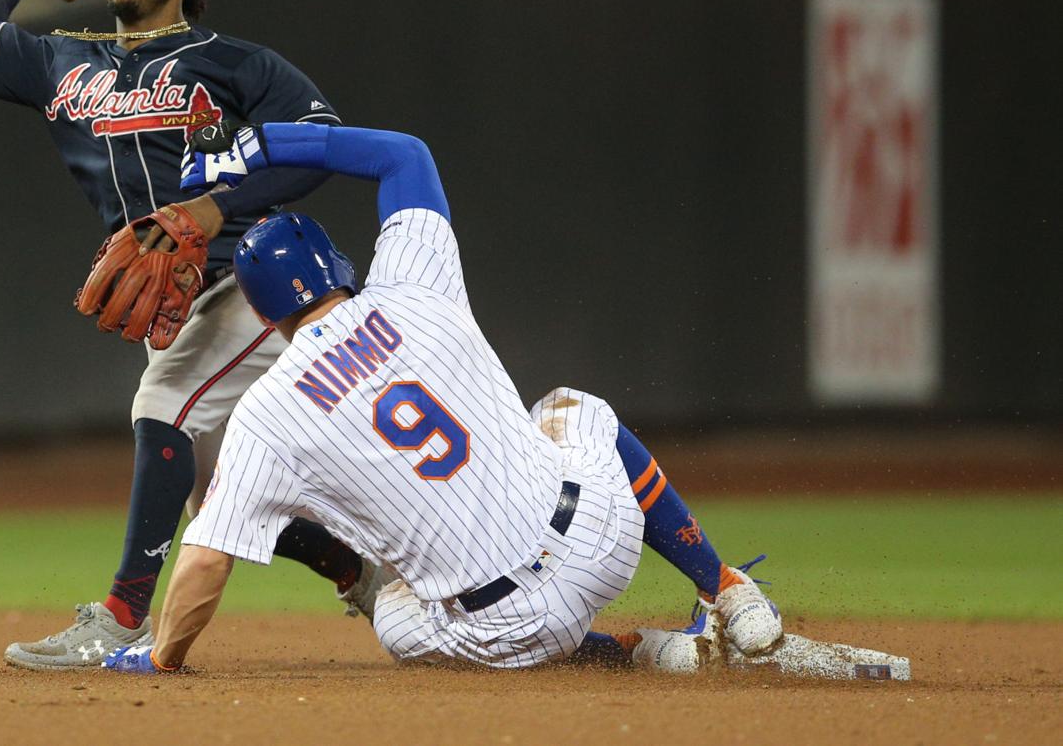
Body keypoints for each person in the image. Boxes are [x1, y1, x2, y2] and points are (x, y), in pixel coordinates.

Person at [101, 121, 784, 673]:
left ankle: (639, 654)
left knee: (395, 612)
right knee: (573, 408)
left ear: (262, 314)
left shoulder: (266, 414)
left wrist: (162, 657)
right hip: (600, 545)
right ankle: (724, 588)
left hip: (507, 629)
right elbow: (404, 157)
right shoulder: (411, 283)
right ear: (336, 266)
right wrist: (264, 145)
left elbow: (207, 558)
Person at [0, 0, 381, 670]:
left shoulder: (235, 62)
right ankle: (364, 573)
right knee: (214, 498)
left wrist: (218, 207)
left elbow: (323, 144)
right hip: (178, 301)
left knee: (160, 407)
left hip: (256, 283)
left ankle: (120, 618)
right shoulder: (63, 61)